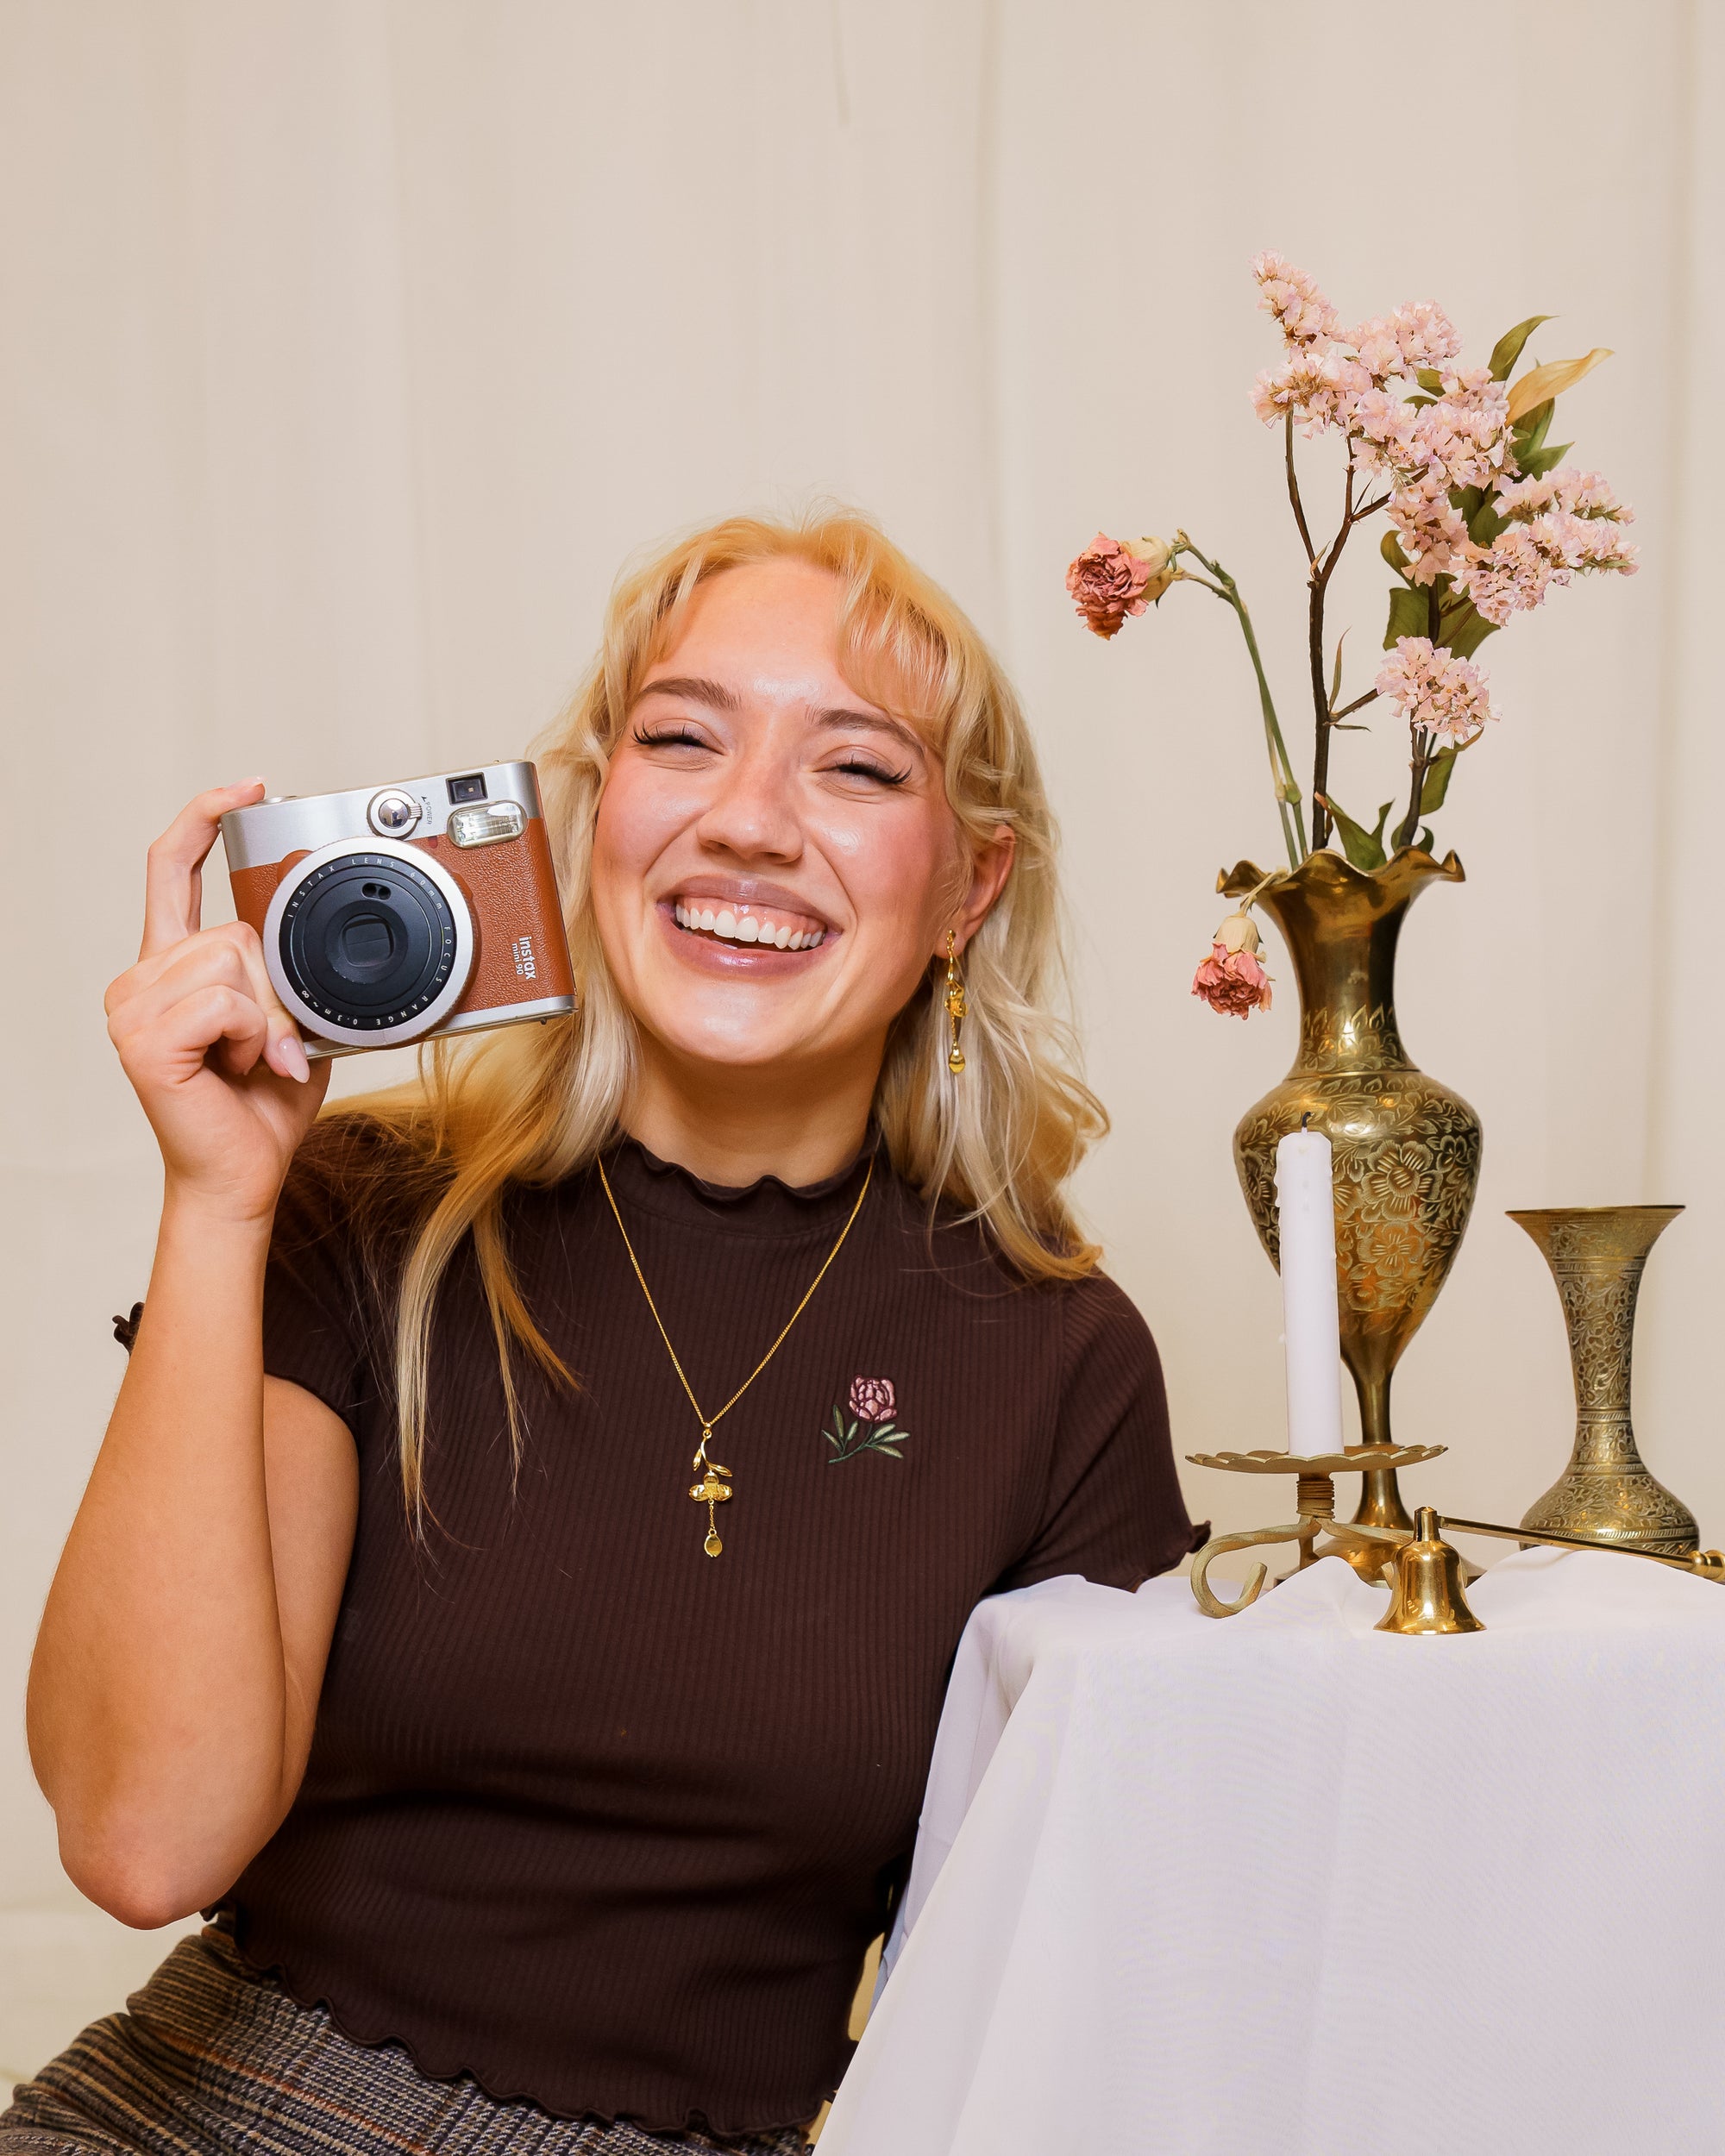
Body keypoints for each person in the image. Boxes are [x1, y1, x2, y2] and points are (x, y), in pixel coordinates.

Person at [7, 511, 1195, 2155]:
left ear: (969, 886)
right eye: (683, 739)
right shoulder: (363, 1211)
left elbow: (1080, 1972)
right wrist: (219, 1207)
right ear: (592, 817)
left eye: (855, 770)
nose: (748, 822)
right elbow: (144, 1843)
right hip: (212, 2111)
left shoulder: (1060, 1362)